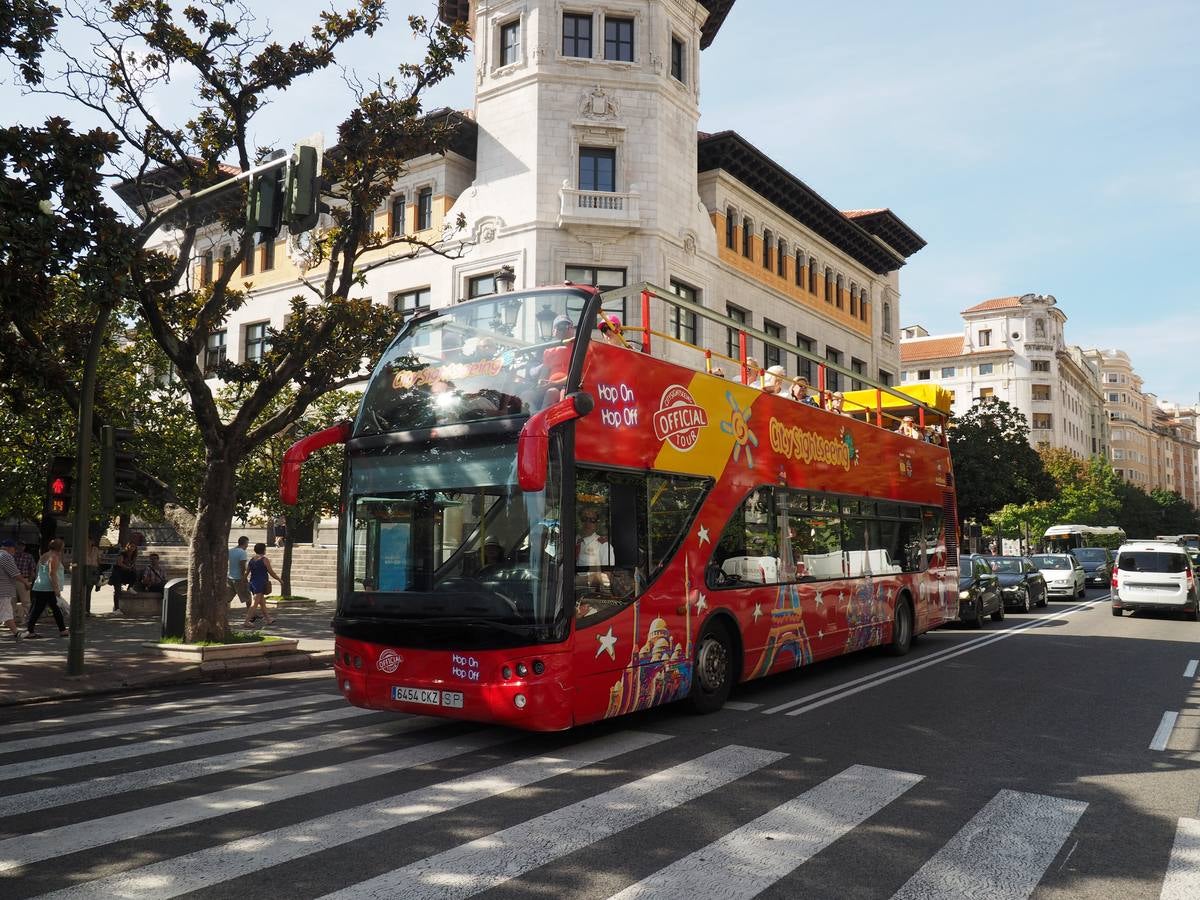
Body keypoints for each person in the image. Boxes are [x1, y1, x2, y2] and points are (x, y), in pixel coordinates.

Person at [25, 538, 68, 638]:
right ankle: (29, 630)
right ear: (60, 547)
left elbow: (37, 570)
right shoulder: (54, 557)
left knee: (53, 608)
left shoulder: (44, 555)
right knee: (39, 609)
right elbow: (52, 573)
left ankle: (63, 630)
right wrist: (56, 588)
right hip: (48, 588)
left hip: (40, 586)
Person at [243, 542, 281, 627]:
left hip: (253, 583)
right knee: (255, 604)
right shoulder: (264, 559)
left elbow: (247, 572)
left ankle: (268, 619)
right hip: (259, 584)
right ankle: (246, 621)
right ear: (263, 550)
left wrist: (244, 580)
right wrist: (279, 580)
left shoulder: (252, 560)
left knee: (262, 603)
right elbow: (271, 572)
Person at [0, 539, 30, 641]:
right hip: (3, 590)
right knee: (7, 613)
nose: (15, 551)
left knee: (5, 612)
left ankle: (17, 633)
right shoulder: (6, 557)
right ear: (10, 548)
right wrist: (26, 582)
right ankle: (17, 634)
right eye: (14, 548)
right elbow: (15, 573)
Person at [11, 541, 35, 626]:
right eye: (18, 545)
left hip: (24, 580)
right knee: (12, 601)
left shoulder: (28, 556)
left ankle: (25, 619)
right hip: (12, 581)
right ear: (15, 546)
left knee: (26, 601)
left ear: (24, 547)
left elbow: (32, 571)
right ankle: (12, 619)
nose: (20, 547)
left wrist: (29, 582)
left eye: (22, 545)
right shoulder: (11, 556)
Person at [108, 542, 139, 607]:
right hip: (117, 573)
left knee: (135, 573)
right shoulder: (123, 554)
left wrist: (132, 568)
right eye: (131, 546)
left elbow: (133, 565)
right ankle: (117, 608)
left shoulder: (133, 556)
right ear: (128, 546)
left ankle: (130, 588)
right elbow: (119, 563)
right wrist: (128, 567)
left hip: (125, 573)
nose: (132, 548)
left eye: (134, 546)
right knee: (117, 591)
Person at [228, 535, 251, 608]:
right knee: (248, 597)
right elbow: (242, 566)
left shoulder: (230, 551)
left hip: (230, 578)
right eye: (247, 543)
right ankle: (250, 614)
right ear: (245, 543)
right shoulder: (242, 552)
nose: (247, 545)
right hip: (239, 578)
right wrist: (244, 578)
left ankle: (221, 613)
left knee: (227, 598)